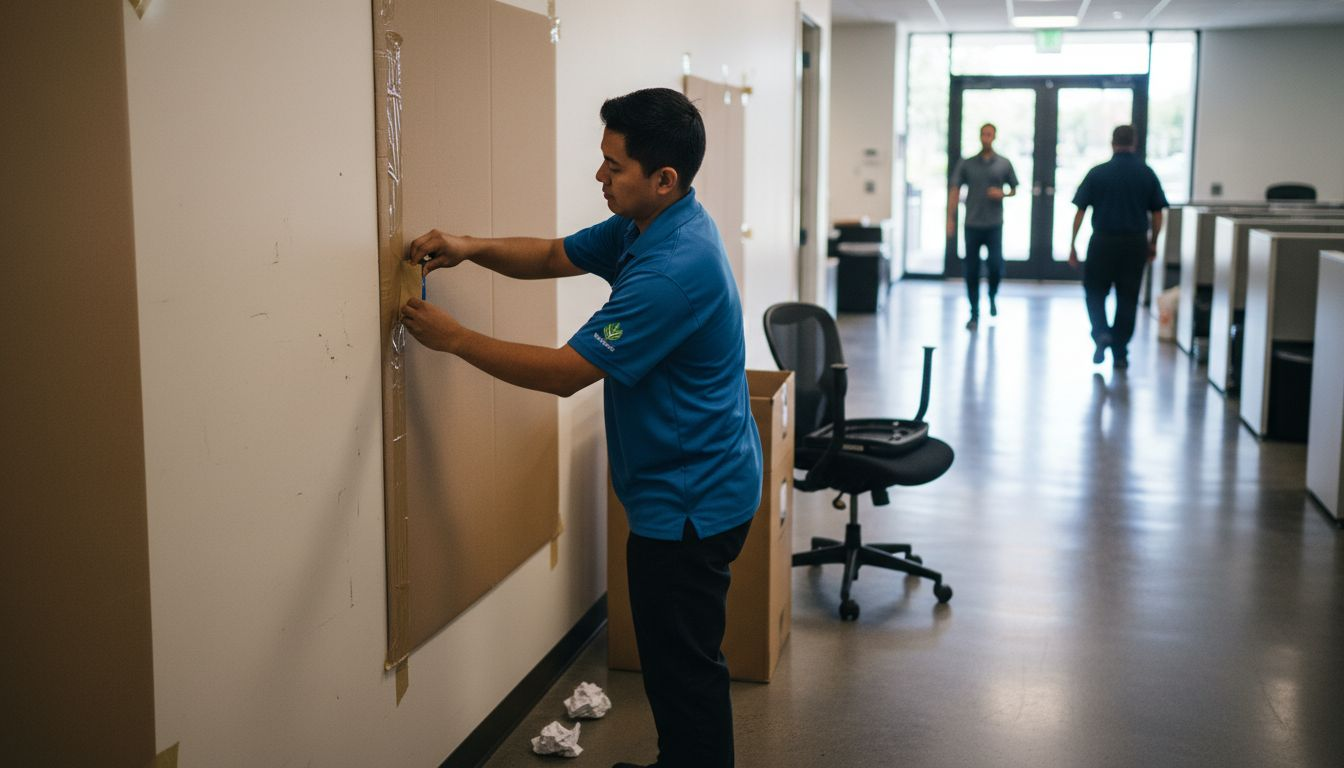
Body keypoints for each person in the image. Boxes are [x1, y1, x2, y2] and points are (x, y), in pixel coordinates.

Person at [400, 87, 762, 768]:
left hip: (690, 504)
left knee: (682, 672)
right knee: (672, 664)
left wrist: (453, 339)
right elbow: (551, 256)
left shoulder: (673, 270)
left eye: (613, 166)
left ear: (664, 179)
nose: (600, 177)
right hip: (688, 483)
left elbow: (567, 372)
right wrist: (468, 247)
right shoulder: (648, 223)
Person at [1068, 124, 1169, 370]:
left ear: (1112, 143)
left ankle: (1101, 333)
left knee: (1094, 292)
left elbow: (1080, 211)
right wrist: (1153, 242)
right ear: (1134, 143)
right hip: (1134, 243)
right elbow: (1158, 214)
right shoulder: (1146, 173)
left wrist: (1072, 245)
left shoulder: (1097, 173)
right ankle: (1120, 352)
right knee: (1128, 296)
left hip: (1102, 241)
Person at [948, 122, 1019, 330]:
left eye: (990, 134)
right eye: (983, 134)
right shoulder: (967, 163)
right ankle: (974, 312)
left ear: (994, 137)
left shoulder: (1003, 164)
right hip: (972, 224)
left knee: (995, 266)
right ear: (980, 136)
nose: (986, 138)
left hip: (994, 225)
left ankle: (992, 295)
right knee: (971, 270)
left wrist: (1003, 194)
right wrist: (950, 218)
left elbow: (1015, 189)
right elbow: (955, 190)